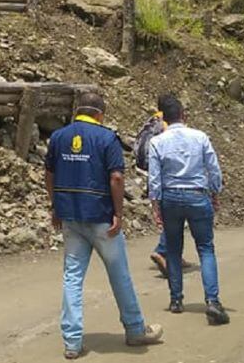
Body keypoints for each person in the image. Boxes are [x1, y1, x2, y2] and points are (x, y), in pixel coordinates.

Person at [45, 91, 163, 359]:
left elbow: (49, 174)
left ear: (78, 111)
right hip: (101, 219)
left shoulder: (59, 137)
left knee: (72, 278)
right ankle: (135, 330)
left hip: (71, 218)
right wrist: (119, 214)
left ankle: (72, 342)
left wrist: (55, 206)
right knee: (119, 273)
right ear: (100, 113)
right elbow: (117, 179)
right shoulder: (107, 138)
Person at [147, 94, 230, 325]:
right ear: (184, 115)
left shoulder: (157, 142)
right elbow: (213, 169)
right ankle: (212, 301)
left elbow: (154, 178)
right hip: (196, 194)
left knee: (173, 249)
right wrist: (215, 193)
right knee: (205, 248)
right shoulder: (200, 137)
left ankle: (176, 300)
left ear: (164, 118)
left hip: (170, 198)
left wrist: (156, 206)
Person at [134, 109, 195, 276]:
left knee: (173, 218)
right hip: (171, 180)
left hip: (157, 177)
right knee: (175, 219)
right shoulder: (170, 129)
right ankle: (162, 251)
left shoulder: (154, 121)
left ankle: (175, 256)